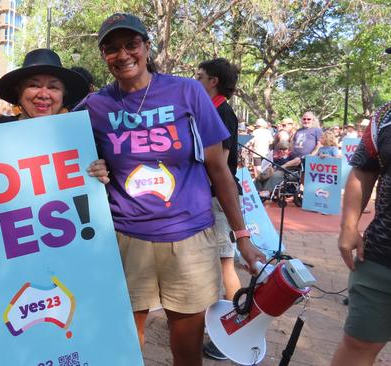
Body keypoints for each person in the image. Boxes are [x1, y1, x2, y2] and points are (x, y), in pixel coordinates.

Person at [76, 13, 264, 365]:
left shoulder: (187, 91)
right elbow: (56, 145)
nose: (123, 54)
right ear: (103, 55)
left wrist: (243, 236)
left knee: (187, 347)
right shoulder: (96, 106)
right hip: (126, 238)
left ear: (146, 47)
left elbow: (218, 169)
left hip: (190, 238)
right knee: (126, 345)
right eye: (111, 48)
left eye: (131, 44)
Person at [331, 36, 391, 366]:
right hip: (383, 258)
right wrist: (349, 227)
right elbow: (362, 171)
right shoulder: (389, 114)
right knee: (356, 344)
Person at [196, 58, 243, 360]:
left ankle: (236, 329)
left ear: (213, 81)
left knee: (226, 264)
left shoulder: (223, 113)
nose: (194, 80)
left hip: (218, 200)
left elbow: (220, 166)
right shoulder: (212, 109)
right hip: (207, 199)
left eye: (199, 76)